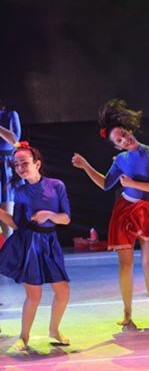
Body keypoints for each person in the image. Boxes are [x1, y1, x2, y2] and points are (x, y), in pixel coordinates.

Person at [72, 99, 149, 328]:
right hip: (126, 210)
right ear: (117, 147)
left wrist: (132, 183)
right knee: (125, 265)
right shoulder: (120, 160)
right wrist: (86, 166)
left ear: (130, 130)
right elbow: (106, 184)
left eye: (124, 135)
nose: (124, 140)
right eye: (119, 141)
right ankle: (127, 312)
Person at [0, 142, 71, 351]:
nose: (20, 168)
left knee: (63, 290)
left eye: (24, 163)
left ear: (37, 164)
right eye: (16, 165)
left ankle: (54, 329)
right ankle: (24, 337)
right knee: (34, 295)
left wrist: (48, 215)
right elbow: (17, 224)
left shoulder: (56, 185)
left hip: (50, 243)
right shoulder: (18, 190)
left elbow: (66, 218)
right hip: (30, 244)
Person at [0, 101, 21, 239]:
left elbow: (15, 141)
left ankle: (8, 246)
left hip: (4, 168)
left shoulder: (10, 115)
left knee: (7, 224)